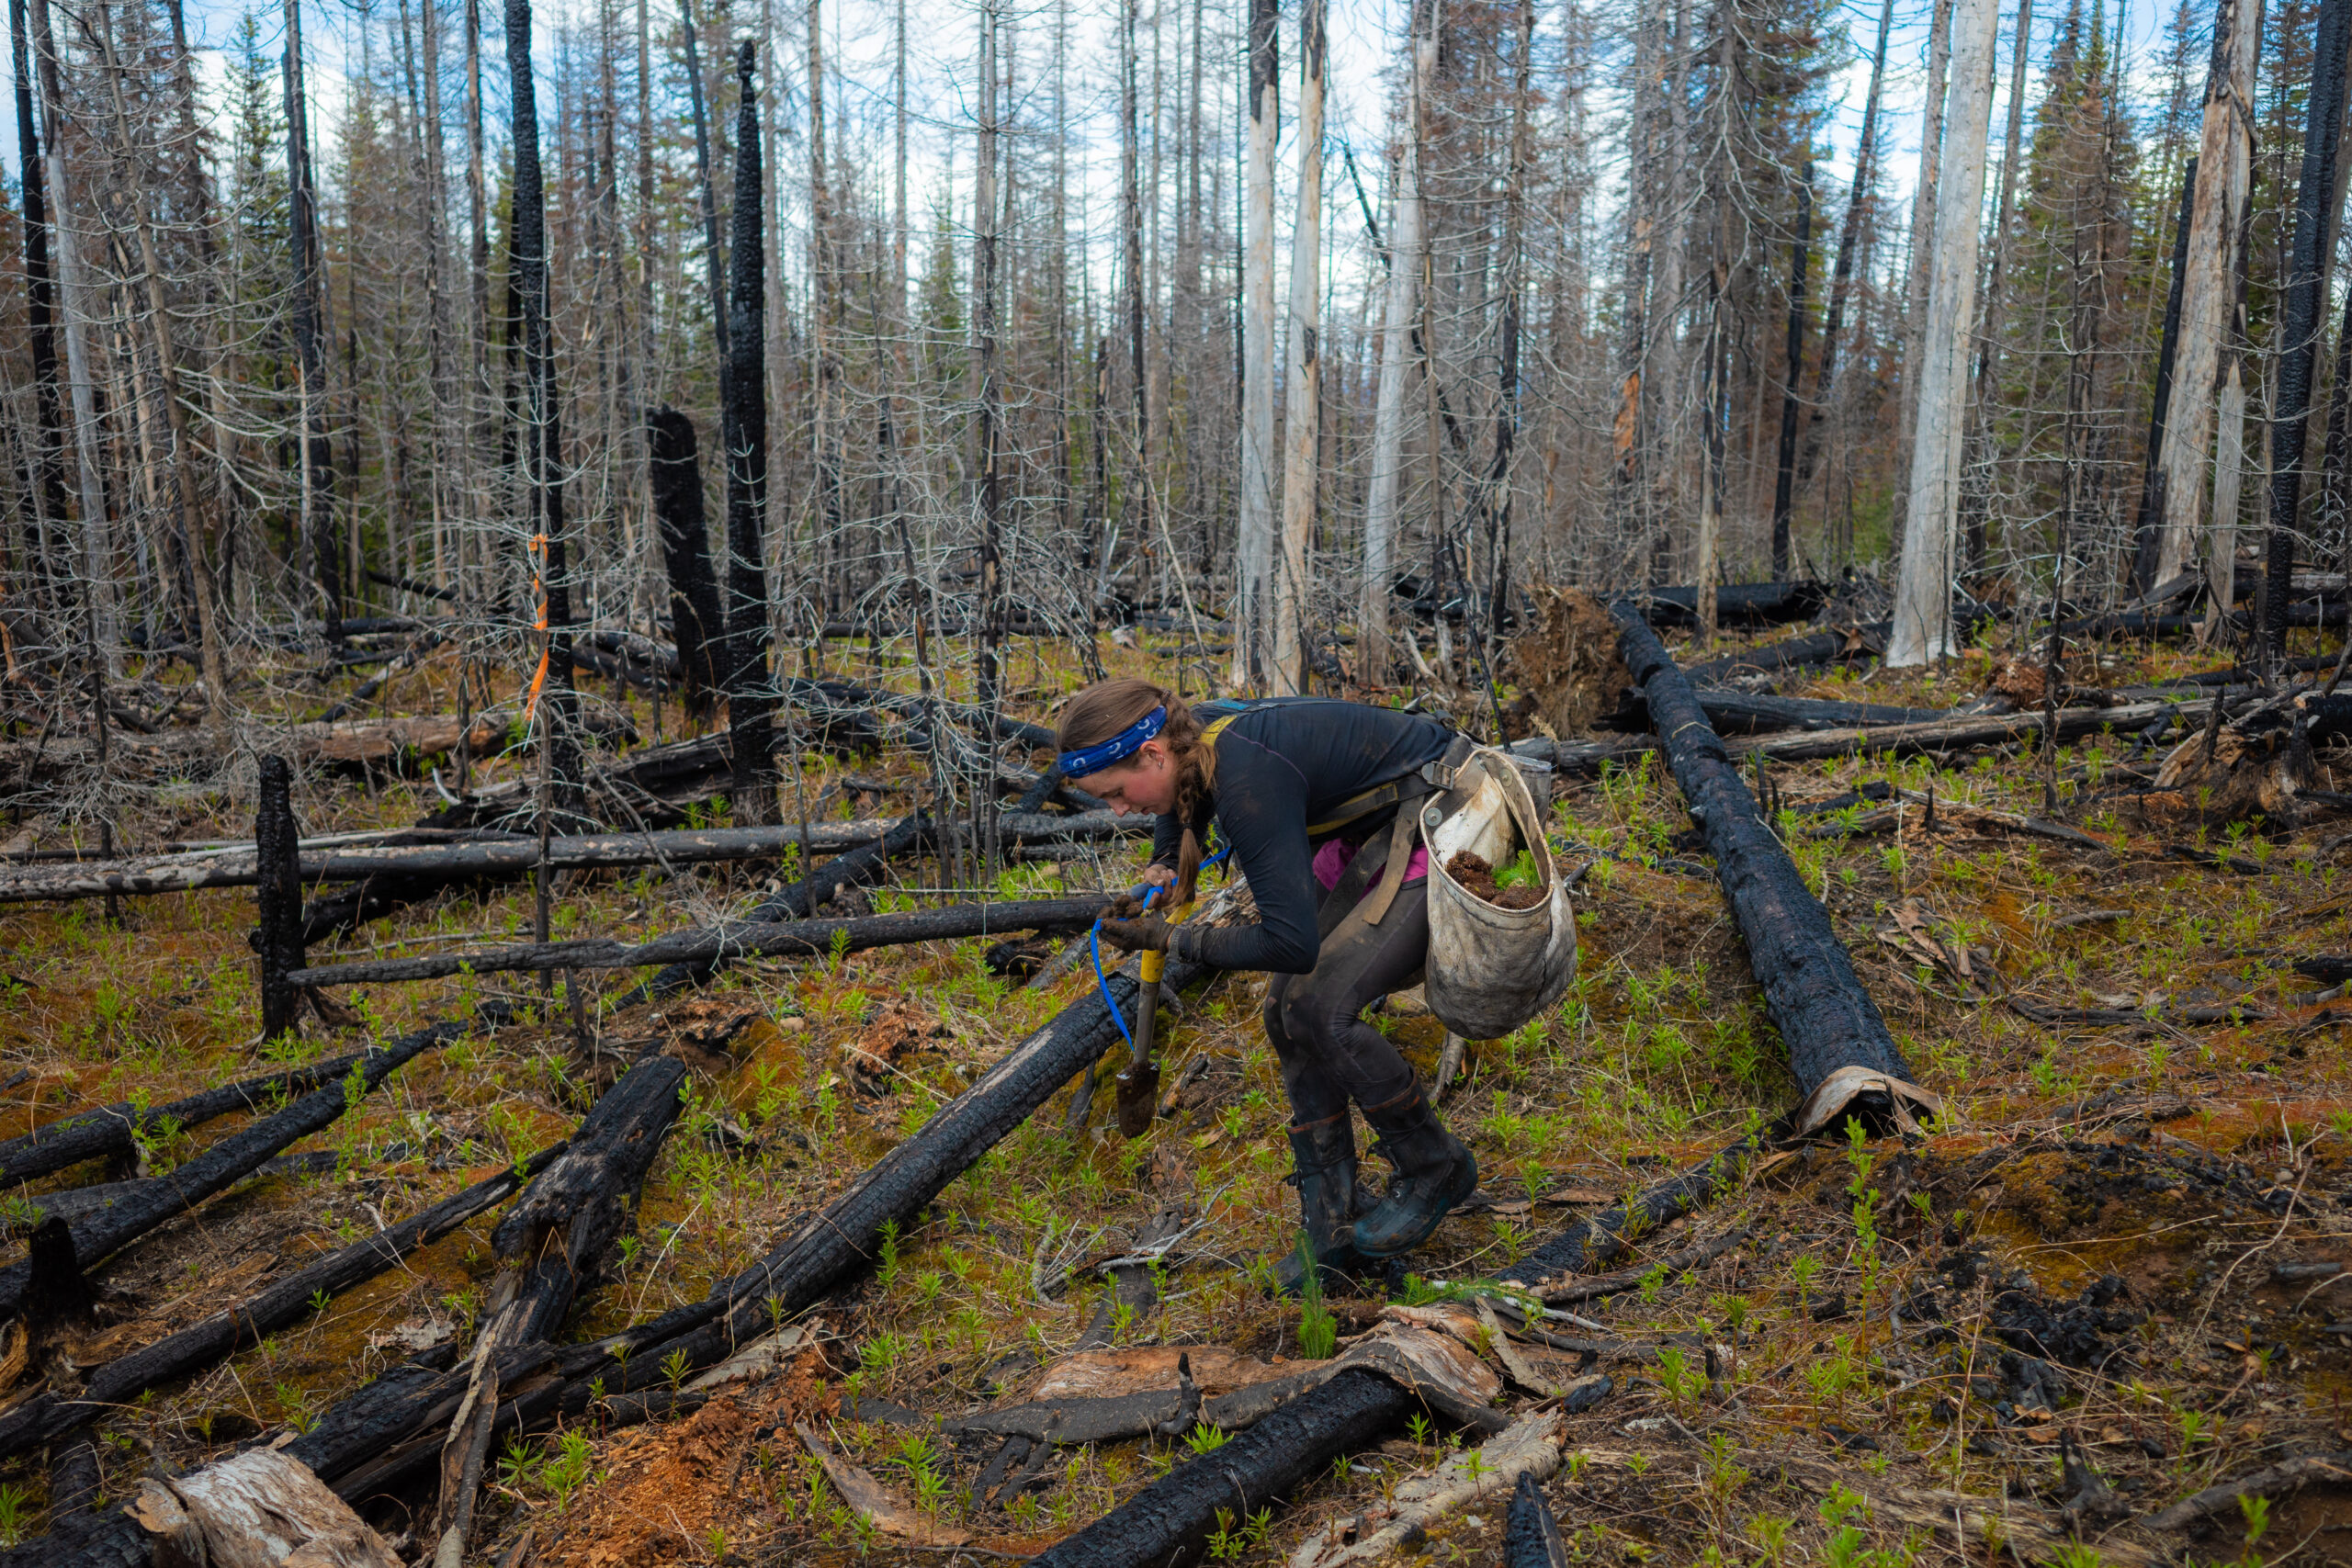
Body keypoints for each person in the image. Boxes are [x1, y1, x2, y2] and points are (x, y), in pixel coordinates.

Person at [1057, 678, 1478, 1291]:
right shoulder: (1186, 738)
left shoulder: (1247, 782)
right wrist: (1163, 858)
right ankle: (1331, 1225)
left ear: (1152, 755)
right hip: (1372, 827)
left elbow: (1290, 942)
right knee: (1284, 1014)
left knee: (1320, 1007)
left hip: (1441, 813)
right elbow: (1184, 797)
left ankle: (1434, 1164)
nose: (1117, 809)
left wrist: (1173, 939)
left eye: (1118, 793)